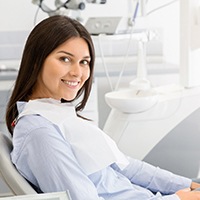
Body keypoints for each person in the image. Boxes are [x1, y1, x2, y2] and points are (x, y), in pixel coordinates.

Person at [5, 15, 200, 200]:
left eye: (84, 62)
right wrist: (178, 197)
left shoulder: (55, 114)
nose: (77, 72)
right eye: (65, 59)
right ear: (37, 59)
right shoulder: (40, 132)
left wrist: (187, 186)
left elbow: (124, 166)